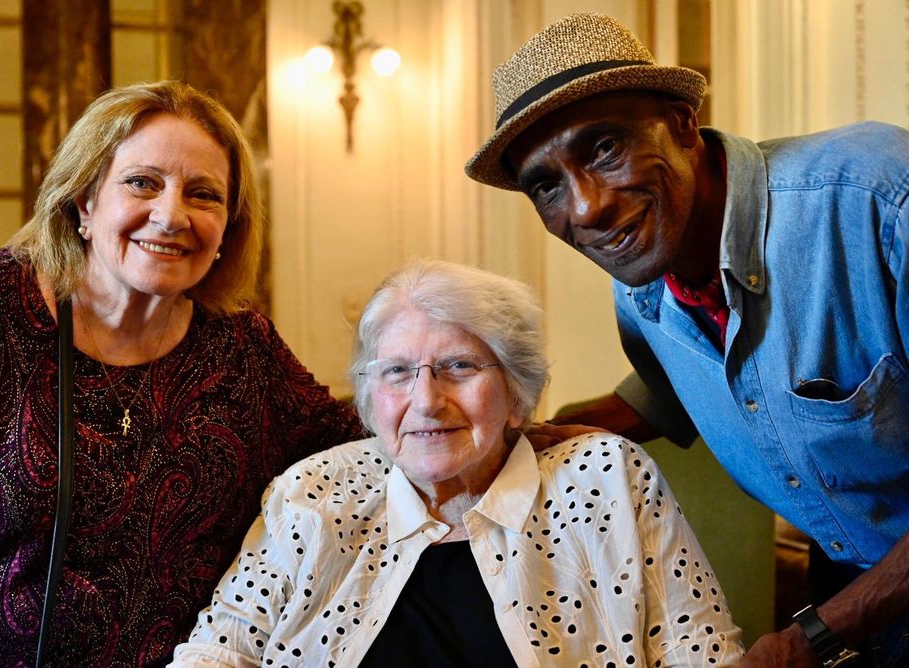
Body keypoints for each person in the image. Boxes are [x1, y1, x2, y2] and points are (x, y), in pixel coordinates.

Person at [463, 12, 909, 667]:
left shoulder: (879, 197)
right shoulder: (643, 278)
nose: (586, 208)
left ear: (681, 123)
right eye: (547, 185)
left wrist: (806, 639)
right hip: (853, 591)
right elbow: (677, 388)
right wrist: (523, 439)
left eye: (604, 148)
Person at [0, 81, 365, 666]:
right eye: (142, 183)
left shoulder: (241, 350)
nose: (171, 216)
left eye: (204, 195)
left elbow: (362, 449)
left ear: (228, 228)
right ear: (84, 202)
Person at [170, 259, 744, 667]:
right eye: (397, 371)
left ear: (517, 392)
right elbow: (219, 650)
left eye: (460, 367)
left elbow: (702, 653)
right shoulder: (311, 493)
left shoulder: (607, 478)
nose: (426, 400)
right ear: (369, 401)